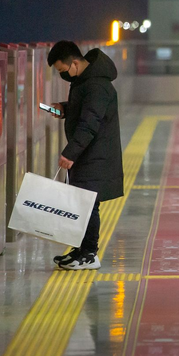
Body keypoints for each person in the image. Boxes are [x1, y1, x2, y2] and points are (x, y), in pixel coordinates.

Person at [46, 41, 124, 270]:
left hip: (95, 154)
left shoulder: (97, 85)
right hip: (90, 153)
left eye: (63, 71)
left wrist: (70, 153)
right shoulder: (86, 81)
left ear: (75, 62)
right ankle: (82, 250)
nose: (63, 76)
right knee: (84, 202)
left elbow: (90, 122)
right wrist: (65, 108)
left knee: (89, 203)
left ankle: (90, 254)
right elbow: (86, 108)